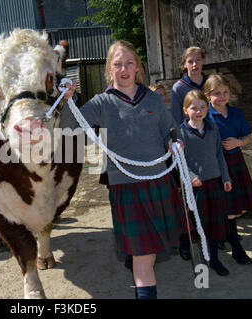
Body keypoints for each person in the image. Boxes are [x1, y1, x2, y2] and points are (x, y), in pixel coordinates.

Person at [60, 40, 187, 299]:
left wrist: (175, 142)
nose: (124, 69)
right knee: (142, 252)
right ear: (109, 69)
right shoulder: (101, 103)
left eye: (129, 63)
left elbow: (169, 130)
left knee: (146, 251)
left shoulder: (152, 98)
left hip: (158, 182)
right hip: (125, 187)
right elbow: (69, 131)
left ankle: (141, 279)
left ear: (138, 67)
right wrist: (67, 101)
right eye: (118, 64)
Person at [178, 89, 232, 275]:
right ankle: (200, 258)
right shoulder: (181, 132)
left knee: (215, 222)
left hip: (215, 181)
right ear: (186, 110)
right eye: (194, 108)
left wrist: (225, 177)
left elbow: (219, 153)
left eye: (202, 107)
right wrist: (191, 175)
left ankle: (215, 259)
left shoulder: (212, 128)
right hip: (196, 186)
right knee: (200, 223)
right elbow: (180, 160)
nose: (199, 111)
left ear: (208, 108)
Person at [204, 74, 252, 265]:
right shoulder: (205, 115)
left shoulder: (236, 113)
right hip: (215, 166)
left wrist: (239, 142)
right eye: (217, 93)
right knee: (221, 207)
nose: (223, 96)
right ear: (207, 95)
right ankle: (230, 243)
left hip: (235, 163)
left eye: (225, 92)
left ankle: (233, 245)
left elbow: (248, 136)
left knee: (232, 207)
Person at [170, 46, 208, 125]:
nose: (195, 64)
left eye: (198, 60)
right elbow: (176, 117)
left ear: (203, 61)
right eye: (190, 61)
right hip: (190, 133)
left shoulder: (210, 82)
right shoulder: (178, 88)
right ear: (184, 64)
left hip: (213, 131)